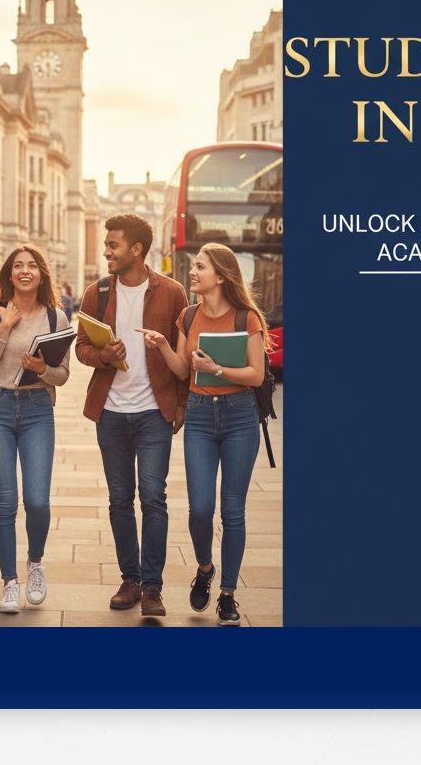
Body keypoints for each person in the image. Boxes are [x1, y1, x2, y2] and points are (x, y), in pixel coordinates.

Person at [140, 242, 268, 626]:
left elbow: (257, 375)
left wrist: (218, 369)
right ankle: (205, 566)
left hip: (239, 418)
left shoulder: (247, 318)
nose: (192, 272)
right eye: (194, 266)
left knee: (233, 511)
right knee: (199, 509)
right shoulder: (188, 315)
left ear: (221, 275)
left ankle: (228, 594)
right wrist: (163, 344)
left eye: (200, 267)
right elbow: (182, 371)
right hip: (198, 416)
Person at [75, 214, 189, 617]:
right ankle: (131, 579)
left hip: (153, 412)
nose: (107, 251)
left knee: (154, 498)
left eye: (114, 245)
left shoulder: (172, 293)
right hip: (110, 411)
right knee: (120, 499)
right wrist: (103, 355)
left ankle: (153, 588)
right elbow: (81, 348)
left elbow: (184, 354)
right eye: (106, 245)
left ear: (136, 249)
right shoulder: (98, 292)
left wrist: (179, 404)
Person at [0, 245, 71, 613]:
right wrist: (5, 328)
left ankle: (35, 563)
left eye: (31, 266)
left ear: (41, 274)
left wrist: (42, 368)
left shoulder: (55, 319)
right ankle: (10, 582)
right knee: (5, 503)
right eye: (18, 266)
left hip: (37, 410)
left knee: (37, 500)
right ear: (9, 273)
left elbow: (62, 375)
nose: (25, 271)